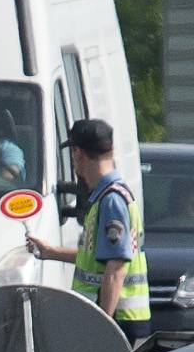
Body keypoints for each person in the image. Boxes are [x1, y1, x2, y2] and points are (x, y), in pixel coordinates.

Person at [25, 117, 150, 335]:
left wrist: (103, 326)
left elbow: (116, 267)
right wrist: (50, 252)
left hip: (118, 320)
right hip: (120, 319)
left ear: (77, 153)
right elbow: (97, 258)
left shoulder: (111, 199)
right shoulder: (108, 196)